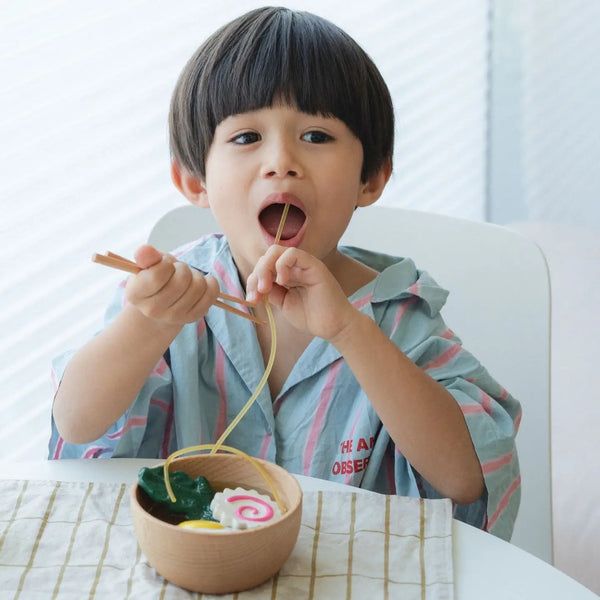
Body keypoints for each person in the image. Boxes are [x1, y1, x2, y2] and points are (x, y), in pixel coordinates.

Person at [49, 6, 521, 540]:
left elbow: (466, 478)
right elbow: (76, 424)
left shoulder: (397, 315)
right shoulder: (167, 296)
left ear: (372, 178)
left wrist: (349, 330)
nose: (281, 161)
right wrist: (147, 325)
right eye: (247, 137)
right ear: (193, 181)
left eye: (317, 136)